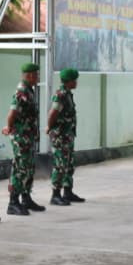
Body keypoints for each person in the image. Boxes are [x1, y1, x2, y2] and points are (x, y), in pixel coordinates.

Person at [3, 62, 46, 215]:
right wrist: (9, 127)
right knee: (20, 169)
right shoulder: (22, 91)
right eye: (37, 75)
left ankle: (26, 198)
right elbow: (12, 112)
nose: (38, 77)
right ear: (29, 76)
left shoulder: (29, 90)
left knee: (28, 168)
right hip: (21, 137)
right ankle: (13, 202)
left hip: (28, 136)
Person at [48, 68, 84, 204]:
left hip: (68, 135)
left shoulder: (68, 94)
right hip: (61, 136)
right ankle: (55, 195)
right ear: (68, 81)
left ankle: (67, 191)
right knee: (60, 165)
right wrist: (50, 127)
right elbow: (52, 113)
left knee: (68, 164)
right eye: (74, 80)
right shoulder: (61, 95)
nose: (76, 82)